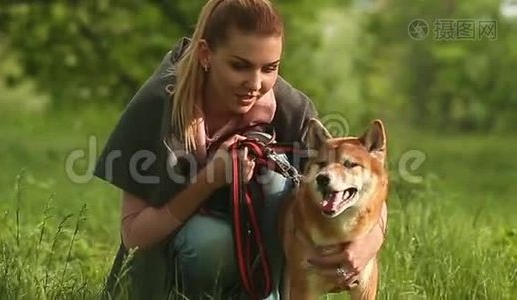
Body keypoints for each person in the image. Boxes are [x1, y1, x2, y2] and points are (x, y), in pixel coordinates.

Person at [93, 0, 387, 299]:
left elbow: (367, 184)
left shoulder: (293, 110)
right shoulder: (158, 106)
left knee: (279, 183)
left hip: (262, 259)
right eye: (239, 65)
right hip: (179, 260)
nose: (256, 84)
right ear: (206, 54)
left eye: (270, 68)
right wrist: (209, 180)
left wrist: (368, 243)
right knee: (212, 242)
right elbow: (134, 235)